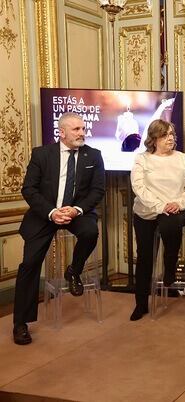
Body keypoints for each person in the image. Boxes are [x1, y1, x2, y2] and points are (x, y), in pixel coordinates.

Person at [13, 112, 105, 345]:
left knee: (90, 232)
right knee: (29, 264)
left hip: (76, 211)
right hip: (44, 214)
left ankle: (74, 270)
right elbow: (29, 189)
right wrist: (52, 212)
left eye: (83, 129)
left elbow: (97, 191)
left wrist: (75, 210)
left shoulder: (93, 155)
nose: (82, 133)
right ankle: (21, 324)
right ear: (61, 132)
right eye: (76, 129)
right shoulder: (41, 154)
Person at [129, 119, 185, 321]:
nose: (171, 138)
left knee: (170, 222)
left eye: (172, 134)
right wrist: (161, 207)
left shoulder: (183, 158)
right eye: (166, 135)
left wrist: (178, 203)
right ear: (154, 138)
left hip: (179, 208)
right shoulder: (142, 159)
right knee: (144, 258)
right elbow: (139, 188)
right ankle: (141, 304)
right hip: (147, 211)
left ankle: (170, 266)